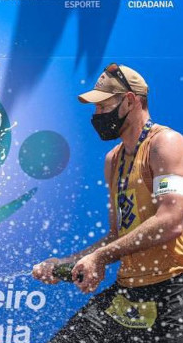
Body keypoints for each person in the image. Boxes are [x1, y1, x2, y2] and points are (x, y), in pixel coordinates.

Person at [32, 64, 183, 342]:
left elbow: (171, 220)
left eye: (103, 106)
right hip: (130, 291)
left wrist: (100, 258)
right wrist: (67, 263)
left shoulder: (166, 143)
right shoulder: (113, 159)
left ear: (130, 101)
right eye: (95, 108)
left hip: (175, 289)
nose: (97, 115)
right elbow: (117, 236)